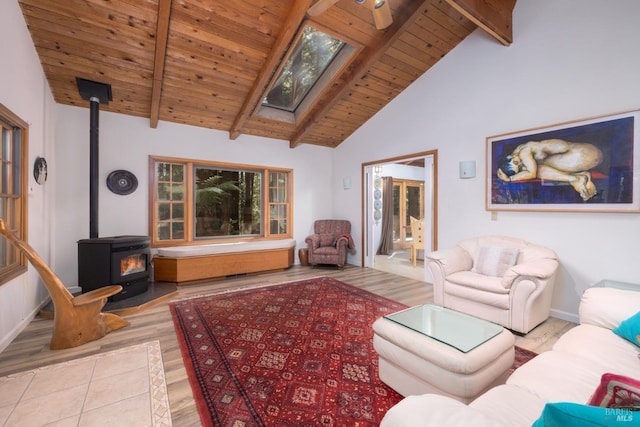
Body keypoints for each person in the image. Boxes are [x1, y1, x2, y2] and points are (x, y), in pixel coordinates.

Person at [497, 139, 603, 201]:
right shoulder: (521, 152)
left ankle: (575, 179)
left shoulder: (523, 152)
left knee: (535, 171)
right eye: (519, 167)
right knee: (533, 167)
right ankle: (578, 176)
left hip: (581, 154)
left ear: (509, 156)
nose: (520, 164)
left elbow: (532, 173)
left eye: (516, 163)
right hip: (584, 156)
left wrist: (510, 179)